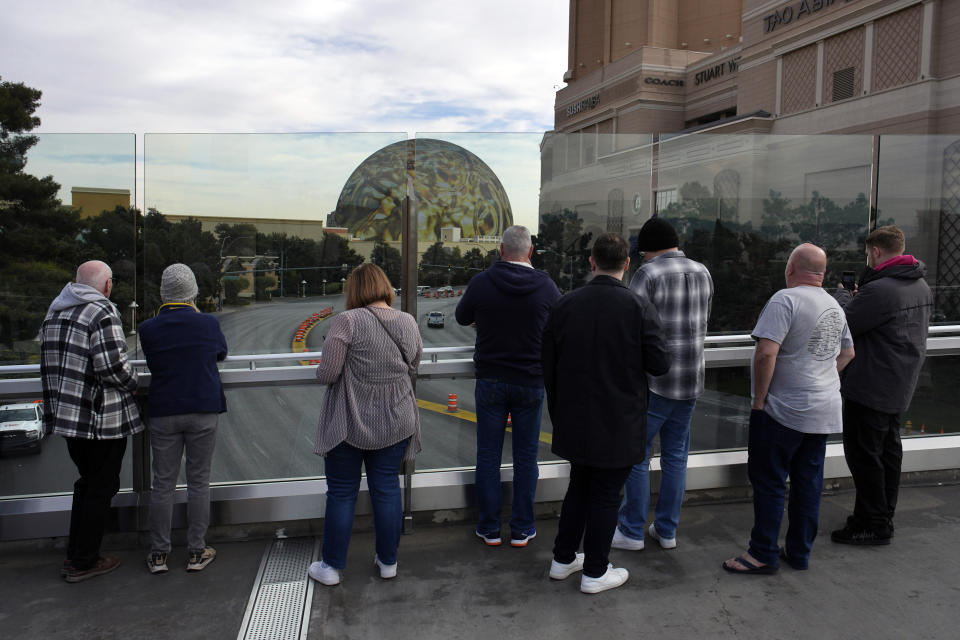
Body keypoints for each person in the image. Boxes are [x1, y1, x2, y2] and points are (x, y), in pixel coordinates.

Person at [543, 233, 670, 593]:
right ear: (627, 263)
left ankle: (563, 558)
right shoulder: (638, 307)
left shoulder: (565, 305)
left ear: (591, 262)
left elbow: (548, 365)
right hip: (619, 420)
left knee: (579, 487)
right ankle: (595, 571)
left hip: (574, 418)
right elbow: (659, 364)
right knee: (605, 495)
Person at [723, 244, 854, 574]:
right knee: (808, 483)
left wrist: (759, 400)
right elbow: (847, 353)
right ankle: (798, 552)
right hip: (823, 410)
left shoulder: (785, 299)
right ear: (822, 273)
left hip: (784, 409)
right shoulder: (834, 305)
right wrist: (821, 377)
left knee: (769, 481)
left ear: (791, 267)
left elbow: (766, 353)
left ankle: (762, 553)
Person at [309, 263, 422, 585]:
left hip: (351, 421)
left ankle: (331, 568)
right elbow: (414, 363)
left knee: (342, 493)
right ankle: (388, 562)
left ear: (354, 290)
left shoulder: (347, 321)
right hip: (396, 420)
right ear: (384, 286)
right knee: (386, 489)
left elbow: (328, 373)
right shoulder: (408, 321)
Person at [455, 225, 561, 547]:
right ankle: (521, 529)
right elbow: (559, 325)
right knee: (526, 458)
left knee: (487, 455)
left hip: (490, 380)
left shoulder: (482, 282)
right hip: (530, 382)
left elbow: (461, 317)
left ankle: (488, 528)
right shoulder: (546, 286)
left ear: (501, 250)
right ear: (530, 252)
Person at [613, 217, 713, 552]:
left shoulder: (649, 274)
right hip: (691, 381)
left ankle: (631, 531)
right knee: (675, 457)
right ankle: (667, 530)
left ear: (648, 249)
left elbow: (629, 323)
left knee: (638, 457)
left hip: (654, 383)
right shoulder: (703, 271)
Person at [40, 260, 143, 583]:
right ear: (107, 285)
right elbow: (113, 367)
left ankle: (76, 553)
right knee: (101, 487)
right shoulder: (101, 312)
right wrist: (135, 382)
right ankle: (84, 561)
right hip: (100, 420)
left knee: (86, 484)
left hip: (68, 418)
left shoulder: (56, 312)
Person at [830, 225, 932, 545]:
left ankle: (871, 524)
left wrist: (845, 295)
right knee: (888, 454)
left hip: (870, 384)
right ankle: (882, 514)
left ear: (875, 251)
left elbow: (844, 324)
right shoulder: (919, 285)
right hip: (898, 382)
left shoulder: (881, 290)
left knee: (864, 456)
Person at [139, 264, 228, 574]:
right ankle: (196, 551)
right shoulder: (207, 324)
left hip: (164, 411)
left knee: (162, 484)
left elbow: (154, 362)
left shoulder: (148, 328)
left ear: (164, 294)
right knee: (198, 482)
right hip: (203, 409)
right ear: (192, 293)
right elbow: (219, 354)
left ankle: (159, 554)